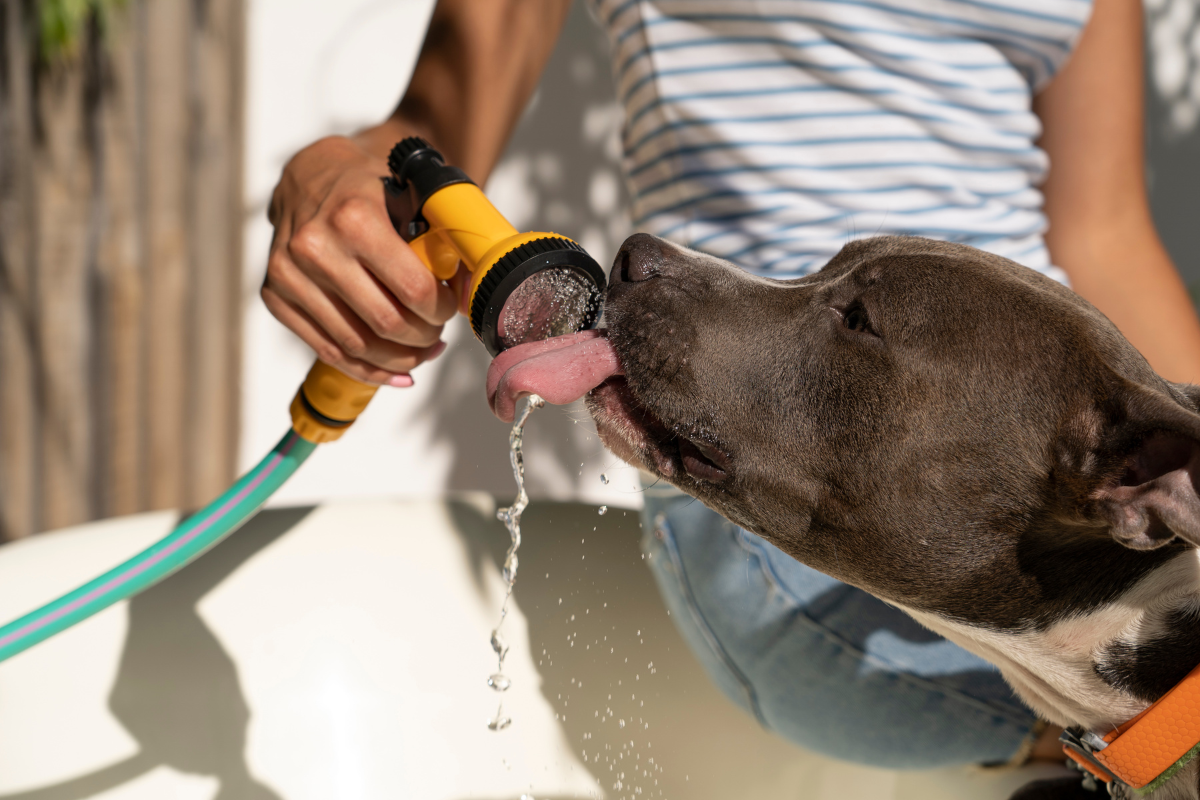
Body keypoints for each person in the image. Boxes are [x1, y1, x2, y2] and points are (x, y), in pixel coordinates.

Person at [262, 0, 1200, 769]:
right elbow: (418, 133)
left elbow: (1104, 236)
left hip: (1024, 482)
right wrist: (333, 171)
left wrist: (1173, 471)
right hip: (785, 479)